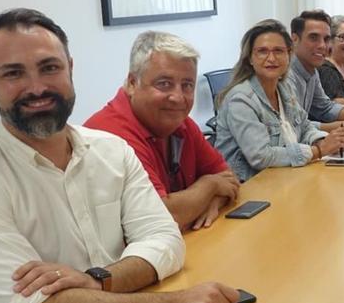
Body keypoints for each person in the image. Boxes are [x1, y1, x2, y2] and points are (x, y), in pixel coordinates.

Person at [0, 8, 241, 303]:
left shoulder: (112, 151)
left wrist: (97, 281)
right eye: (13, 74)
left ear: (70, 68)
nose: (37, 88)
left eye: (50, 67)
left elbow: (166, 240)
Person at [85, 31, 240, 231]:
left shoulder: (180, 123)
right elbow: (161, 217)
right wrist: (210, 185)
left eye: (187, 85)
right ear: (132, 83)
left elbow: (228, 178)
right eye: (164, 84)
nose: (178, 97)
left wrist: (213, 201)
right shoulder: (110, 137)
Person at [215, 19, 344, 180]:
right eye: (262, 51)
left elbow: (304, 126)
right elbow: (261, 156)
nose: (271, 58)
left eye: (278, 51)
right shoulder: (241, 100)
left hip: (285, 177)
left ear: (288, 55)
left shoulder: (284, 88)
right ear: (250, 58)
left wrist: (322, 141)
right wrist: (318, 151)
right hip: (249, 186)